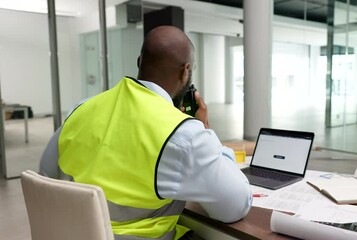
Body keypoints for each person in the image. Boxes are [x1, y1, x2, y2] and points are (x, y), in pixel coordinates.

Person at [39, 25, 252, 240]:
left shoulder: (81, 108)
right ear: (185, 70)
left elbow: (45, 175)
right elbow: (234, 206)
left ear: (139, 62)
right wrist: (207, 132)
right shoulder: (182, 133)